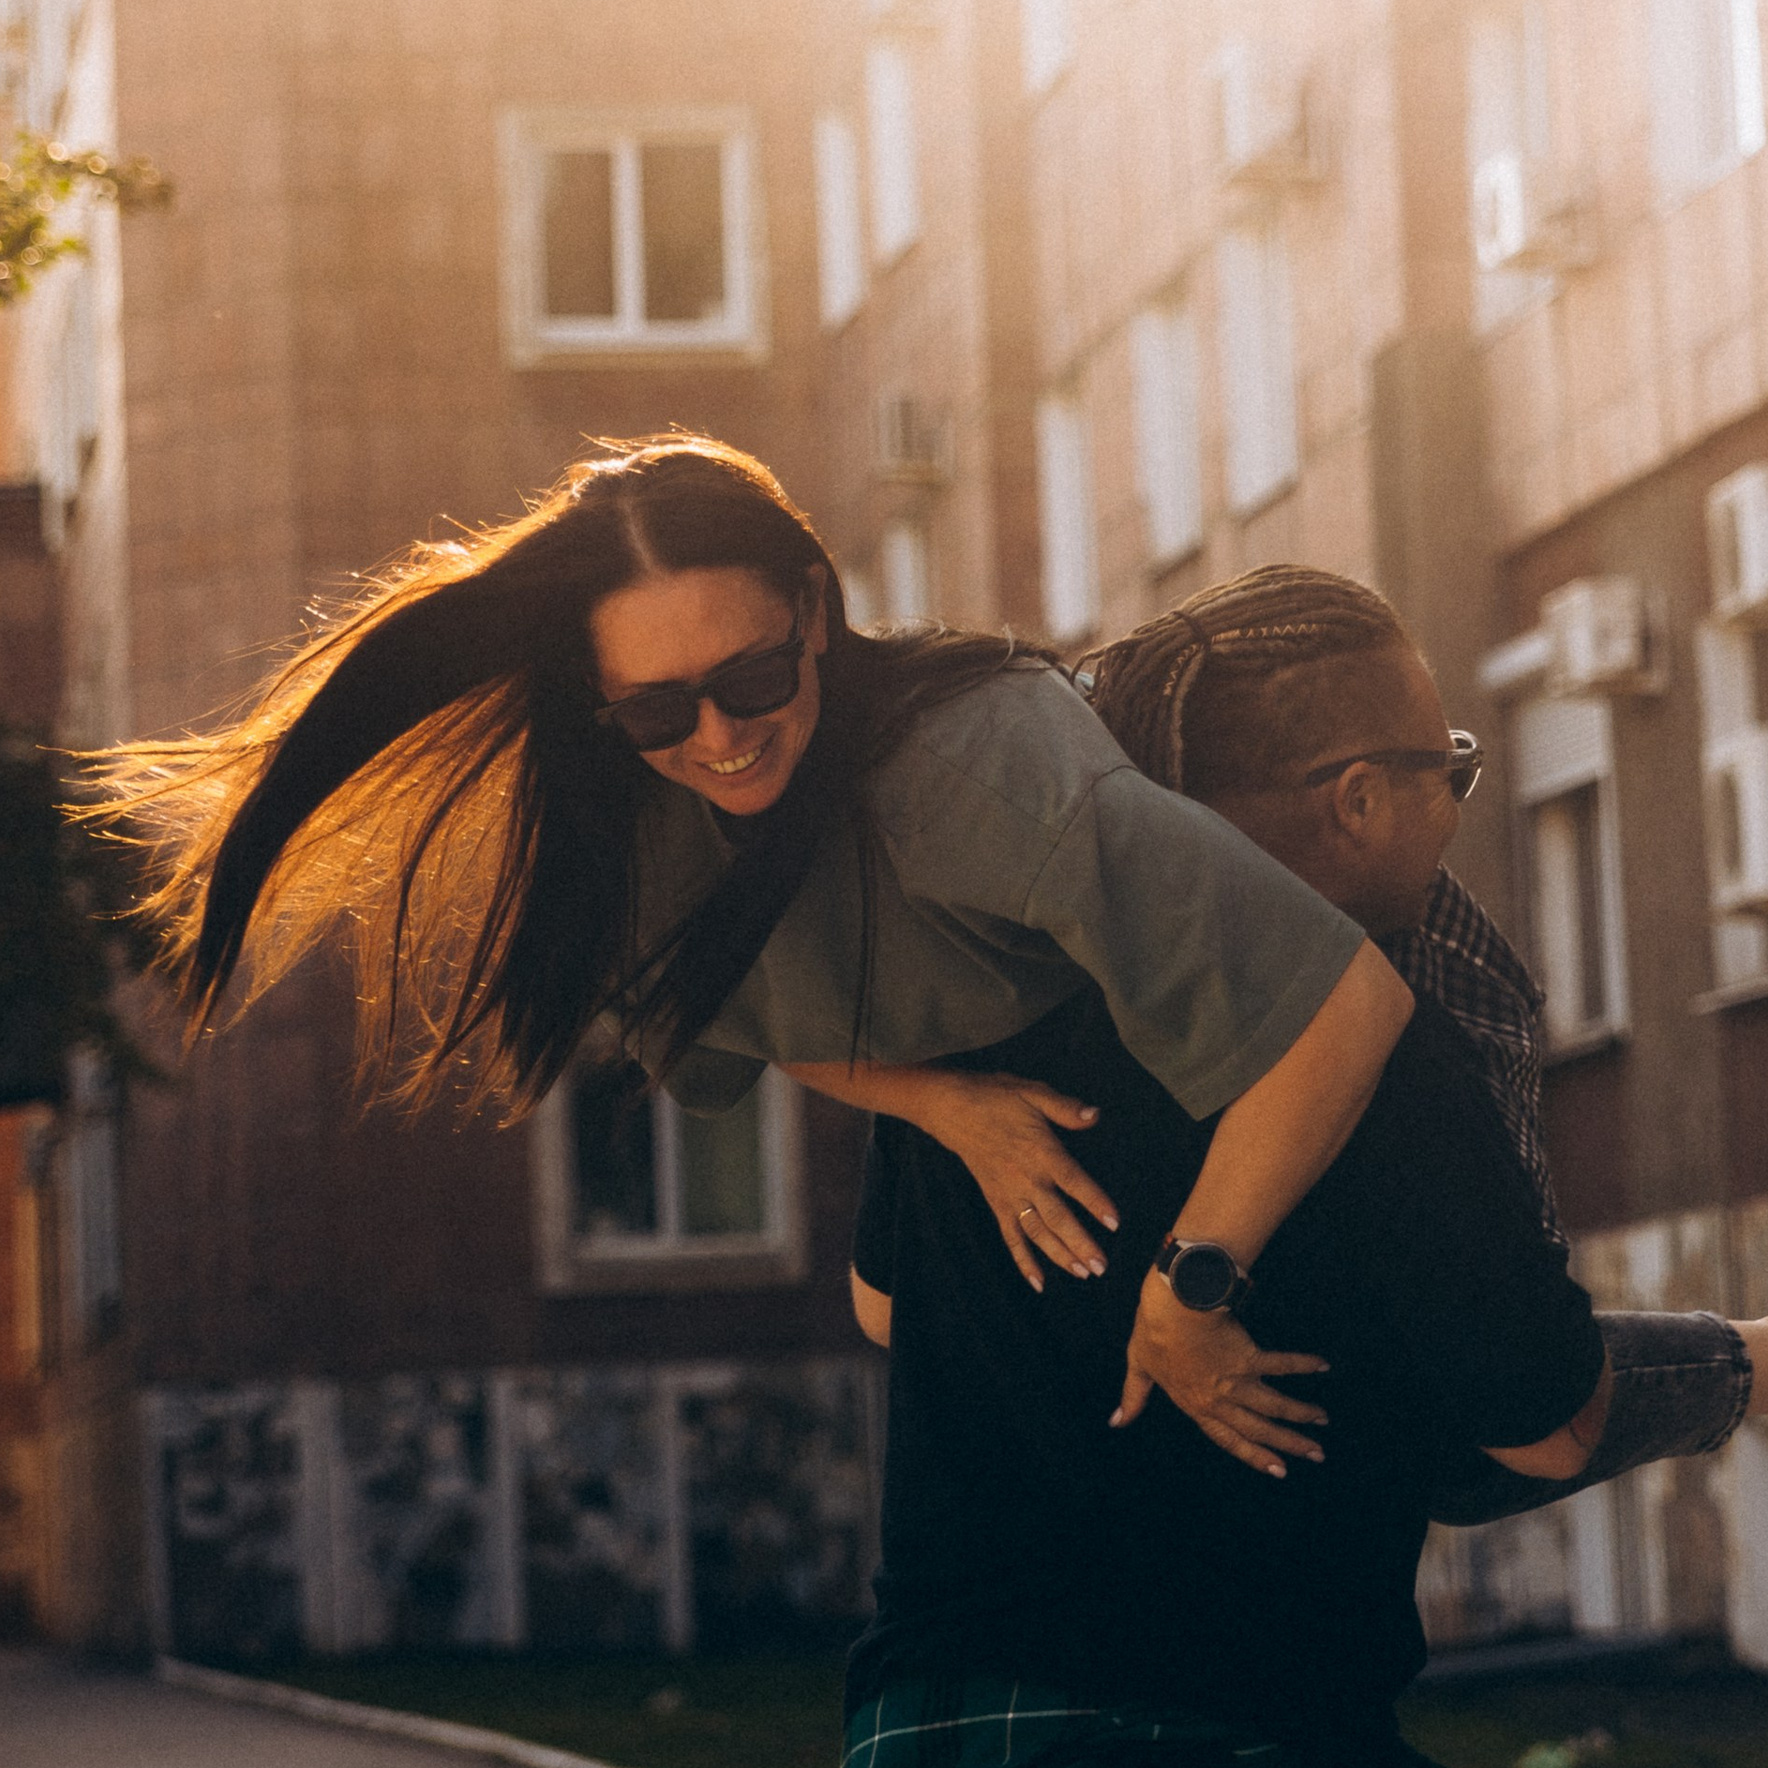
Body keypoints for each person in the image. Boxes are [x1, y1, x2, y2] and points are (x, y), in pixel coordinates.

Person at [86, 437, 1412, 1445]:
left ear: (815, 614)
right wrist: (943, 1106)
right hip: (989, 1078)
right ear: (603, 703)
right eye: (659, 709)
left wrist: (1191, 1286)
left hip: (1208, 1035)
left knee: (1507, 1426)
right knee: (887, 1311)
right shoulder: (633, 824)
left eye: (754, 678)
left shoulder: (978, 771)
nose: (720, 738)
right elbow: (745, 1009)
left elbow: (1347, 1004)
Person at [839, 568, 1758, 1766]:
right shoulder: (1379, 1046)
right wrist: (1748, 1360)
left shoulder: (992, 1003)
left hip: (931, 1720)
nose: (1455, 813)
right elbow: (1544, 1424)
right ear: (1359, 798)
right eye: (1453, 771)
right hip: (1231, 1716)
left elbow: (883, 1305)